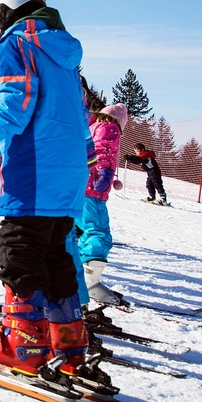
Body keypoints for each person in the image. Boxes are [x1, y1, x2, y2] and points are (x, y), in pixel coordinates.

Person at [0, 0, 111, 393]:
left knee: (18, 250)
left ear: (5, 8)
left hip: (33, 171)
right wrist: (87, 158)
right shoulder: (64, 54)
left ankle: (23, 343)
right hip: (69, 175)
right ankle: (68, 343)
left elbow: (12, 110)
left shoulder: (15, 45)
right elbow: (80, 118)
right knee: (55, 256)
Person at [78, 104, 128, 306]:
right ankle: (90, 283)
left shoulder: (92, 126)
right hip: (92, 190)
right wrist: (105, 172)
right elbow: (104, 149)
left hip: (79, 187)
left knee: (84, 232)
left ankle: (76, 274)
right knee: (98, 233)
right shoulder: (110, 127)